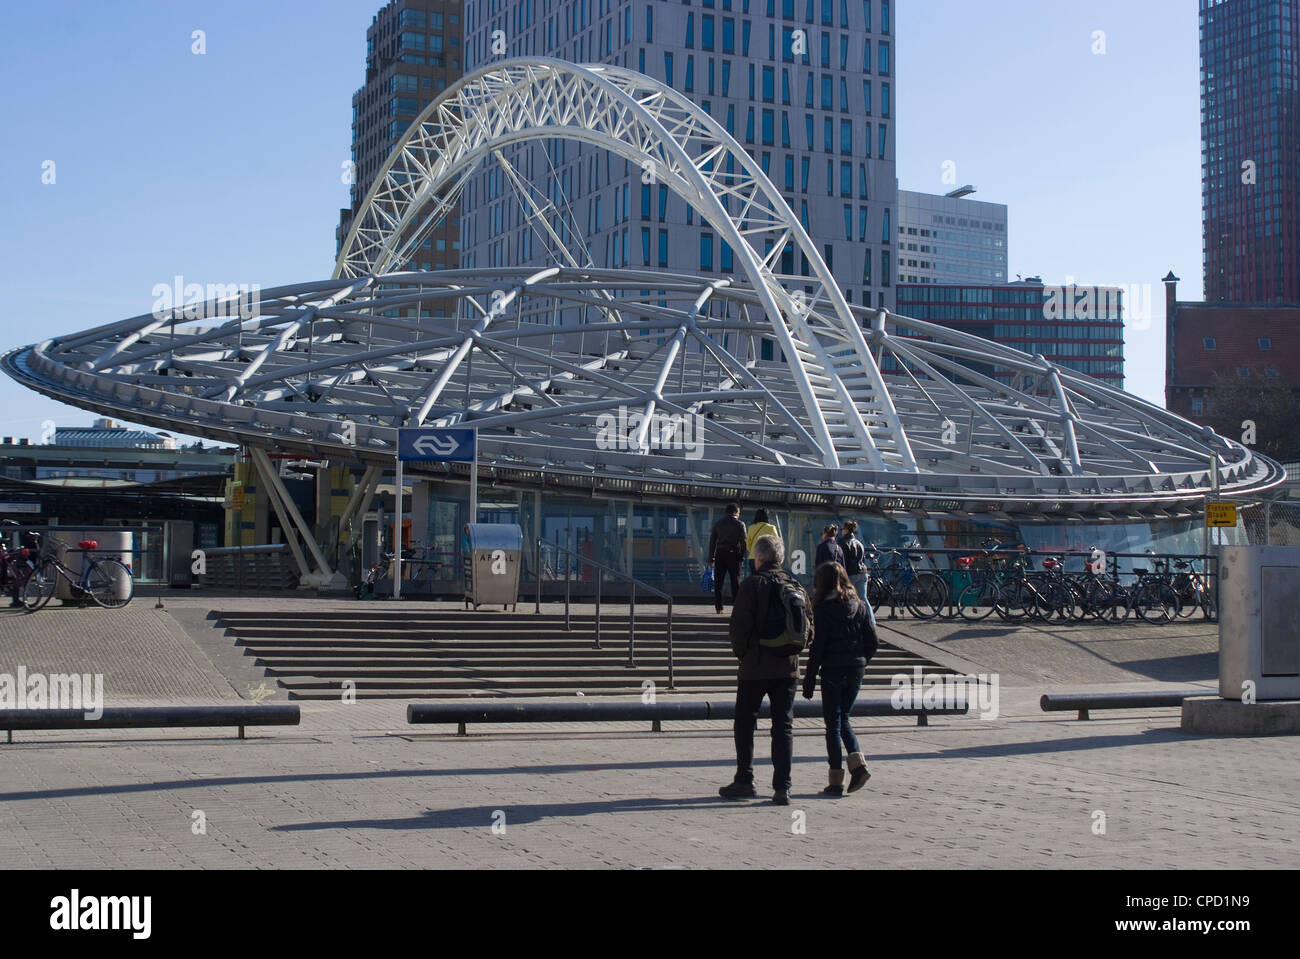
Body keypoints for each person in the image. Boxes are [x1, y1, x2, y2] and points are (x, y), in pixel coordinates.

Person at [720, 534, 809, 805]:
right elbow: (809, 627)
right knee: (783, 725)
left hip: (755, 668)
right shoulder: (795, 585)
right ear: (780, 558)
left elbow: (738, 629)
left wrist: (745, 654)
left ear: (758, 558)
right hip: (787, 668)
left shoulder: (751, 585)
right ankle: (783, 787)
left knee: (745, 723)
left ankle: (745, 780)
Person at [803, 562, 876, 796]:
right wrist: (861, 660)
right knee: (843, 718)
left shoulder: (823, 610)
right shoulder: (860, 606)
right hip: (855, 670)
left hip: (833, 671)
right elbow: (872, 641)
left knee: (833, 725)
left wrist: (809, 677)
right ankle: (858, 766)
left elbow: (818, 648)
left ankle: (836, 781)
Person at [707, 503, 747, 614]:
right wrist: (741, 557)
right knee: (736, 582)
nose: (739, 515)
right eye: (738, 512)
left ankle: (719, 608)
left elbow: (712, 542)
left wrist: (711, 558)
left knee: (718, 582)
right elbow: (744, 543)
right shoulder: (740, 524)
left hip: (720, 554)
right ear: (735, 512)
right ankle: (737, 607)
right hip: (734, 554)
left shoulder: (718, 524)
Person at [838, 520, 869, 604]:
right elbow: (862, 560)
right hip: (862, 572)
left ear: (846, 530)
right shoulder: (859, 543)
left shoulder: (843, 543)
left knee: (847, 598)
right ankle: (870, 617)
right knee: (863, 599)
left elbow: (843, 561)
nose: (841, 531)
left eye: (842, 529)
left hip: (851, 574)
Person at [744, 509, 780, 574]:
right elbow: (776, 544)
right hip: (767, 558)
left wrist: (754, 551)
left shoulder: (751, 528)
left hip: (753, 557)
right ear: (767, 517)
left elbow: (748, 545)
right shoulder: (771, 528)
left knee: (754, 579)